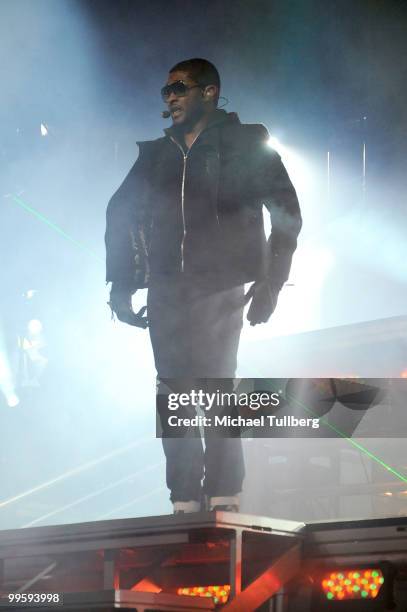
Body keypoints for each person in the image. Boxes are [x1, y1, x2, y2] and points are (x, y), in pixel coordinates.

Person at [105, 58, 302, 514]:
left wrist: (272, 280)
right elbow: (121, 211)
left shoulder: (245, 142)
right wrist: (122, 282)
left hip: (222, 281)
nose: (170, 96)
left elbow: (287, 211)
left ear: (209, 92)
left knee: (214, 384)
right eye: (166, 91)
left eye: (179, 87)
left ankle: (224, 491)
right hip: (168, 285)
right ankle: (183, 498)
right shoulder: (156, 154)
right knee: (173, 387)